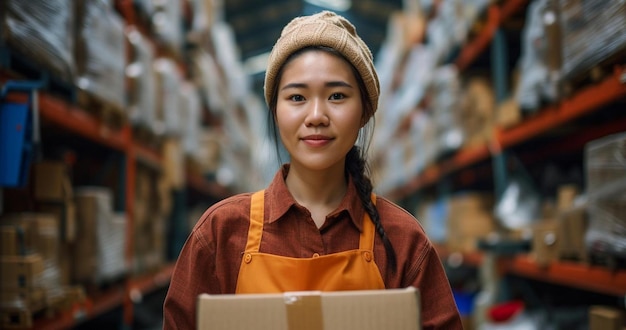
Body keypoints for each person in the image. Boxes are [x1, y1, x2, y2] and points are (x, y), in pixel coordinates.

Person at [163, 10, 462, 329]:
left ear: (363, 111)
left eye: (336, 96)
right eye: (297, 97)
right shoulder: (221, 234)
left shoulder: (404, 241)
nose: (316, 115)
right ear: (276, 111)